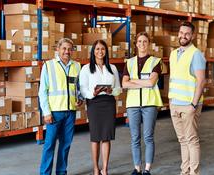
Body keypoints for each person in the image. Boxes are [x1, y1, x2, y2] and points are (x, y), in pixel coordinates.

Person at [39, 38, 83, 175]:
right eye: (64, 48)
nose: (67, 51)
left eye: (70, 49)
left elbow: (79, 88)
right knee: (49, 145)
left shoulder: (77, 66)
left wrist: (80, 99)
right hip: (54, 112)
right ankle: (45, 173)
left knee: (65, 145)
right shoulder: (48, 66)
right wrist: (46, 112)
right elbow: (42, 92)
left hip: (70, 112)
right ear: (57, 49)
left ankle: (61, 172)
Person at [122, 32, 163, 175]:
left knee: (148, 137)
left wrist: (134, 81)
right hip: (133, 104)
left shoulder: (156, 62)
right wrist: (142, 83)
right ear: (136, 44)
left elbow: (152, 82)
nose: (142, 44)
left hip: (149, 103)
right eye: (139, 41)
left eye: (145, 41)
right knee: (135, 137)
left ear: (149, 43)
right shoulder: (129, 62)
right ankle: (137, 168)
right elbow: (124, 84)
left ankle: (147, 169)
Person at [168, 22, 206, 175]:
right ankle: (184, 172)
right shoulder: (173, 53)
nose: (183, 36)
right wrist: (171, 101)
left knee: (191, 140)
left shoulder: (196, 54)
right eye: (181, 32)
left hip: (189, 105)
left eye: (187, 33)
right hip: (175, 103)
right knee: (182, 140)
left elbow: (201, 80)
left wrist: (193, 104)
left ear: (193, 36)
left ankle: (193, 173)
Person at [79, 40, 121, 175]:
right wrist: (93, 93)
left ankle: (105, 168)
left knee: (106, 137)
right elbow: (83, 89)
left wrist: (112, 91)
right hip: (94, 103)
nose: (100, 52)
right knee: (96, 137)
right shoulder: (86, 68)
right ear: (93, 51)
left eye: (102, 49)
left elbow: (118, 88)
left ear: (106, 51)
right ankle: (96, 168)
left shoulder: (112, 68)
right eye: (97, 49)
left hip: (108, 103)